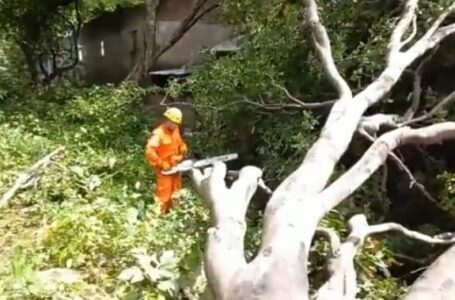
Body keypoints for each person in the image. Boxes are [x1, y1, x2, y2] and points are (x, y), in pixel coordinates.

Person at [145, 107, 188, 214]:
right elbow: (149, 151)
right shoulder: (158, 134)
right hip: (164, 168)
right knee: (164, 194)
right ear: (167, 120)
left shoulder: (175, 130)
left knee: (176, 192)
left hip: (175, 166)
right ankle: (160, 215)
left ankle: (174, 215)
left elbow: (178, 142)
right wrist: (161, 163)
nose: (175, 125)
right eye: (174, 123)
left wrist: (182, 147)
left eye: (177, 123)